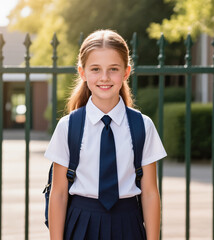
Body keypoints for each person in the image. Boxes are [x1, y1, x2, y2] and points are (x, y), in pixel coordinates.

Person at [44, 29, 167, 240]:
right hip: (80, 224)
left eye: (113, 69)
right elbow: (59, 193)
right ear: (82, 73)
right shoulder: (68, 126)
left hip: (128, 224)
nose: (104, 77)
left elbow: (149, 193)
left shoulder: (142, 126)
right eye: (95, 69)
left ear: (126, 72)